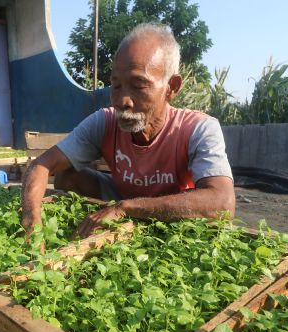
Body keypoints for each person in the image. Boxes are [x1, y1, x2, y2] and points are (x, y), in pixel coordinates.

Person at [21, 23, 235, 238]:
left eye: (139, 85)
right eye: (116, 86)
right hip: (119, 195)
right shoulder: (104, 122)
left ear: (172, 87)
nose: (123, 100)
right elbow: (42, 164)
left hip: (172, 211)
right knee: (68, 176)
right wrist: (32, 220)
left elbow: (222, 203)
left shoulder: (197, 128)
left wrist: (126, 208)